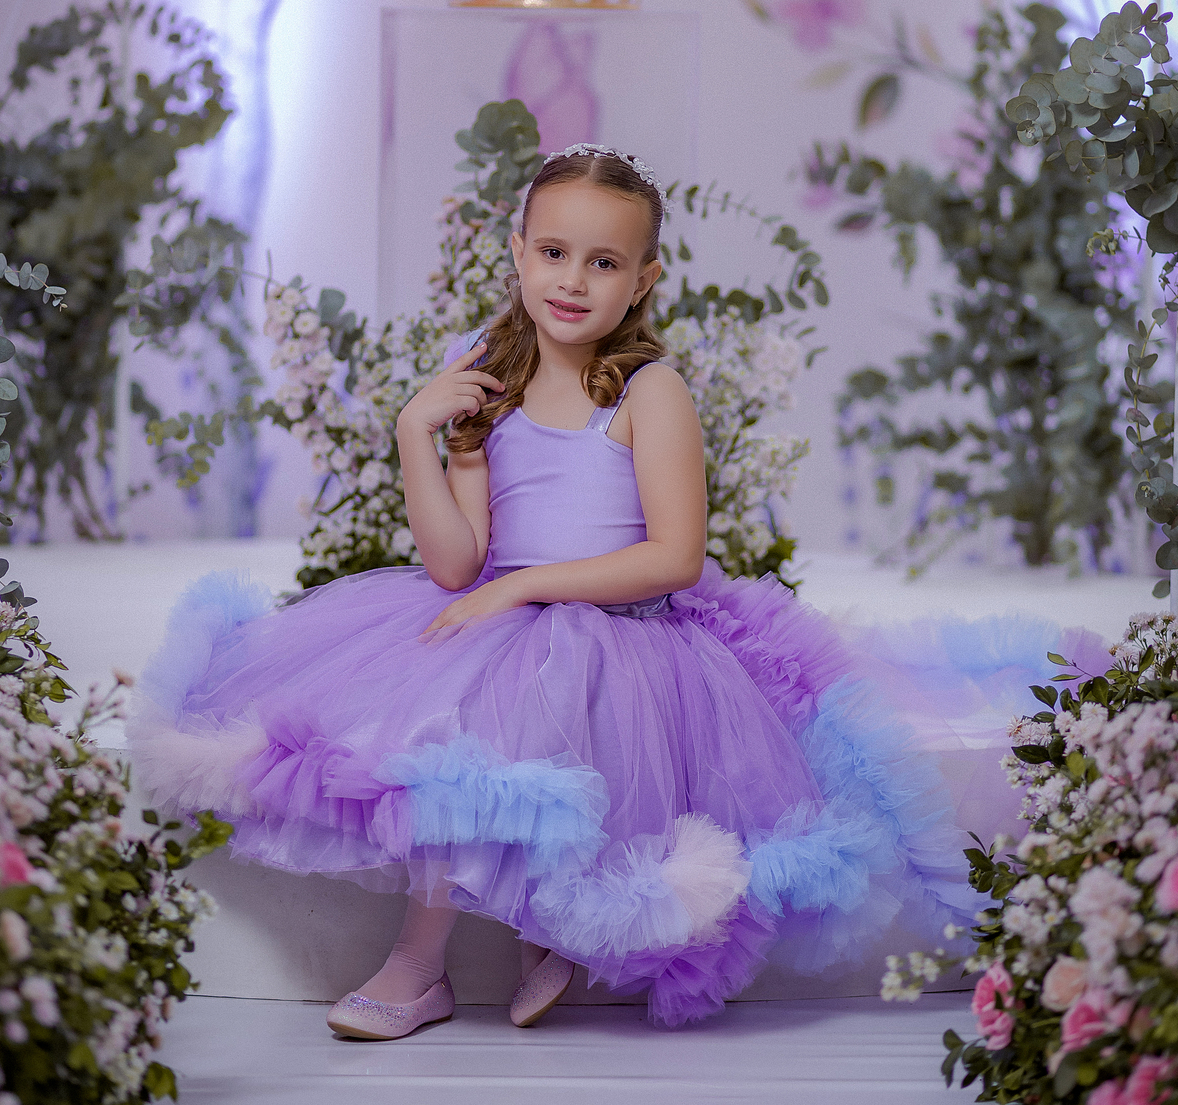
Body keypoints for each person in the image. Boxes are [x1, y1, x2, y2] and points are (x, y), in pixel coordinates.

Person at [130, 144, 979, 1038]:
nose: (573, 280)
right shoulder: (486, 374)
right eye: (554, 252)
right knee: (454, 728)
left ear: (644, 278)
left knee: (564, 702)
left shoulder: (651, 392)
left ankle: (554, 928)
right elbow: (457, 565)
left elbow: (675, 557)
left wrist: (525, 589)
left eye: (604, 262)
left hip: (630, 629)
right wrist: (417, 431)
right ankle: (422, 965)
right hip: (506, 611)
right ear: (519, 252)